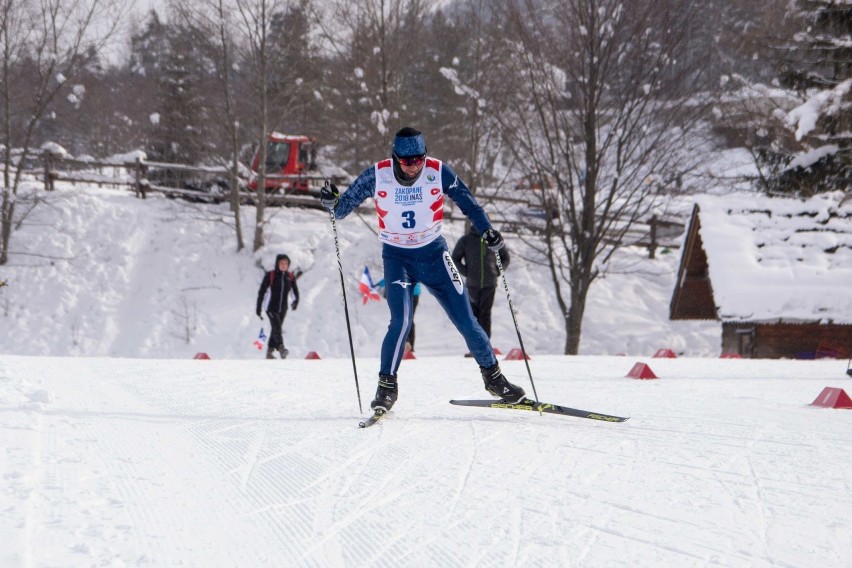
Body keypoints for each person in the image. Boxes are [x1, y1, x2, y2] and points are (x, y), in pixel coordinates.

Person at [320, 126, 525, 413]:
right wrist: (331, 200)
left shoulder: (438, 171)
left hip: (434, 255)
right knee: (401, 321)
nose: (414, 166)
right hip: (397, 259)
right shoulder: (377, 174)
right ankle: (386, 387)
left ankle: (494, 379)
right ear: (395, 158)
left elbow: (469, 203)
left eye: (419, 159)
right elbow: (341, 209)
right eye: (407, 162)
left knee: (466, 319)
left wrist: (488, 231)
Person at [451, 226, 510, 339]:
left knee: (485, 315)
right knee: (473, 317)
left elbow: (505, 258)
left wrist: (497, 271)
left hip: (489, 284)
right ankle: (477, 347)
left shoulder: (493, 239)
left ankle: (486, 345)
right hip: (473, 284)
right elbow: (454, 259)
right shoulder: (466, 240)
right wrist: (466, 272)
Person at [255, 254, 299, 359]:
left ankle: (269, 353)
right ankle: (281, 348)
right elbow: (261, 292)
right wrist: (258, 307)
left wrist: (295, 302)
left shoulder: (290, 277)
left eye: (286, 263)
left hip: (283, 308)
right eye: (282, 263)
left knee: (275, 330)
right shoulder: (271, 275)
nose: (284, 265)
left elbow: (295, 291)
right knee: (277, 329)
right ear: (277, 264)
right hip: (270, 307)